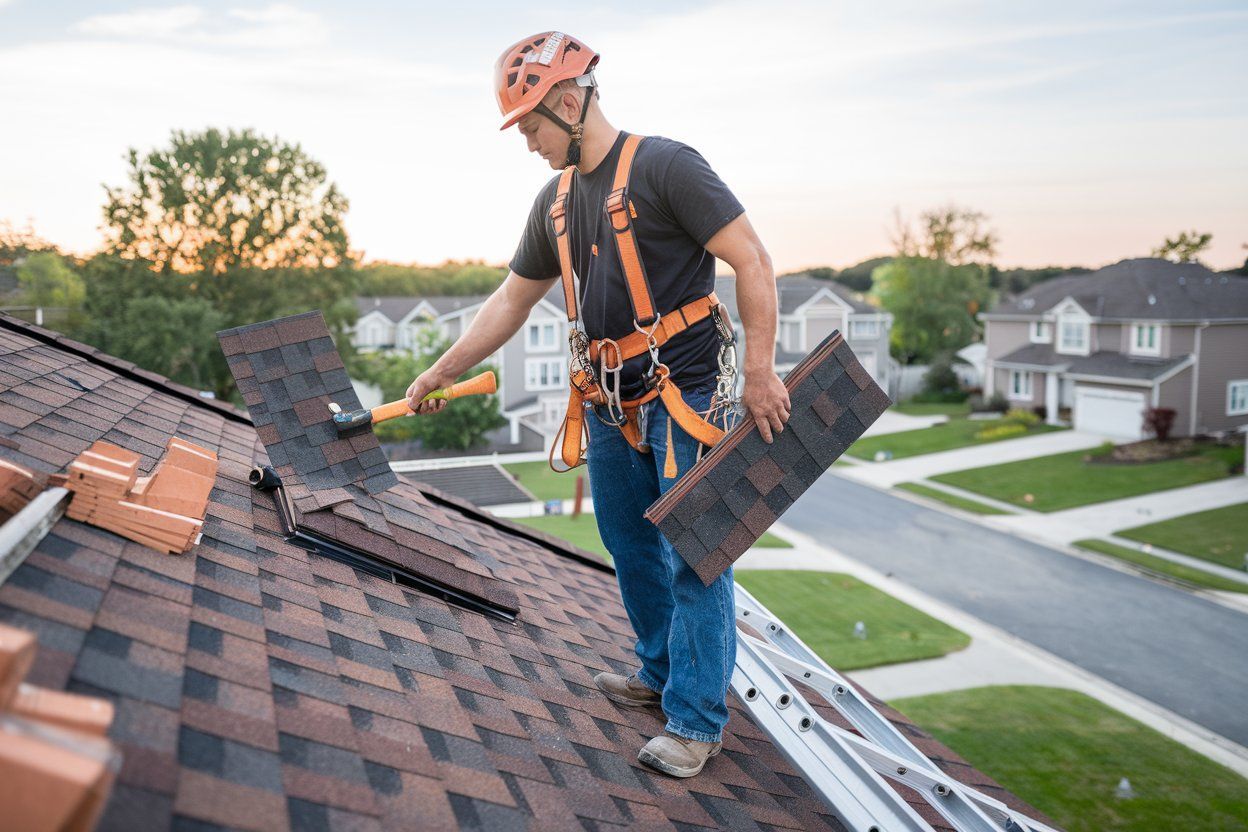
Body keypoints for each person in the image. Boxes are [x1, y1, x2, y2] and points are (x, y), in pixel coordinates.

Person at [405, 31, 789, 778]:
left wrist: (763, 373)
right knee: (627, 544)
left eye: (533, 126)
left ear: (572, 101)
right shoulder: (554, 203)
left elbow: (753, 260)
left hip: (687, 395)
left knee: (694, 558)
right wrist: (438, 371)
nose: (528, 145)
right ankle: (657, 675)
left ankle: (696, 721)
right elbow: (510, 302)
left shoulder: (667, 167)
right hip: (611, 403)